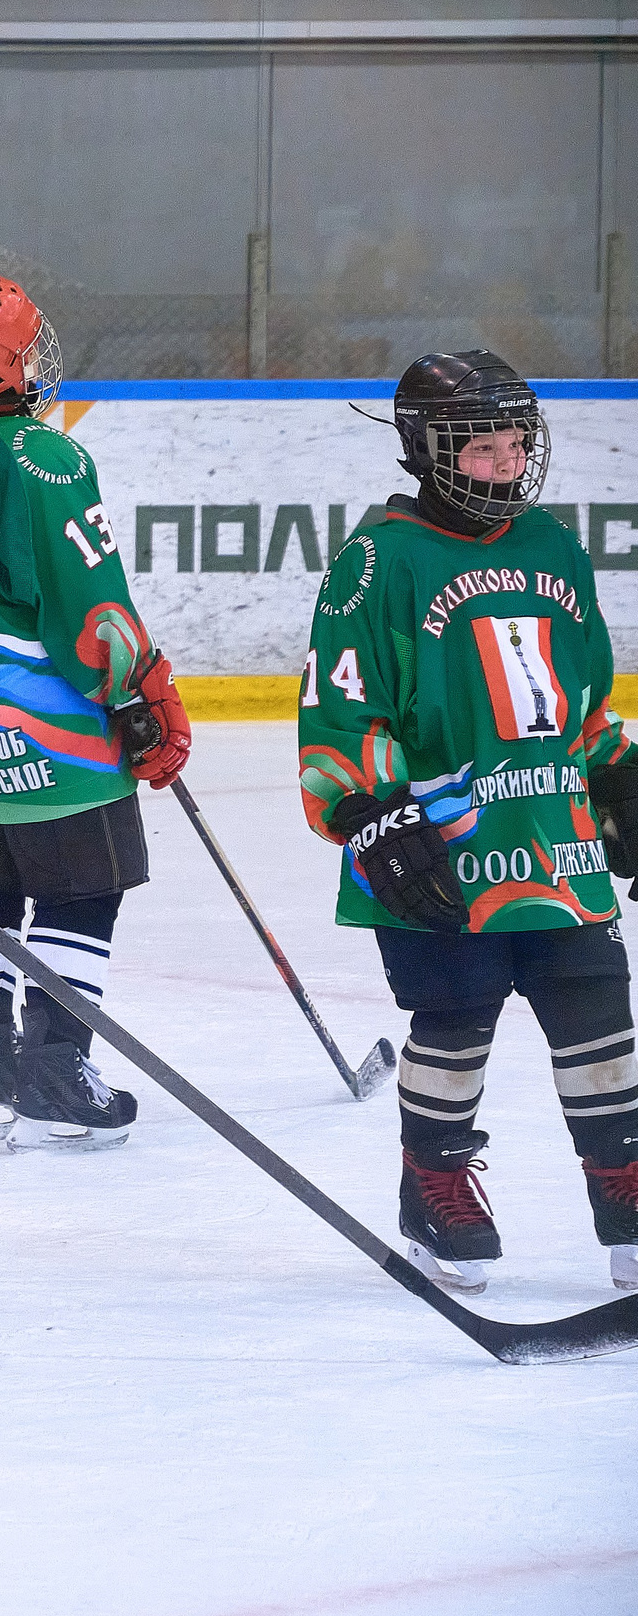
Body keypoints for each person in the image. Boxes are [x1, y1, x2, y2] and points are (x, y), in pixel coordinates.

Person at [301, 349, 638, 1296]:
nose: (505, 461)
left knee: (600, 1020)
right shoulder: (380, 558)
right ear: (426, 449)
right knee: (452, 1027)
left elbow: (582, 703)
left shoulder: (555, 547)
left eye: (516, 440)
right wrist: (367, 815)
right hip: (442, 849)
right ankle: (434, 1185)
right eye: (481, 445)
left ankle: (625, 1191)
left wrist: (620, 775)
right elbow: (340, 715)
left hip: (556, 839)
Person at [0, 274, 191, 1153]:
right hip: (56, 742)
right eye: (23, 347)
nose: (37, 360)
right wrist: (146, 694)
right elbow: (90, 609)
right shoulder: (44, 455)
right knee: (83, 889)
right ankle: (57, 1063)